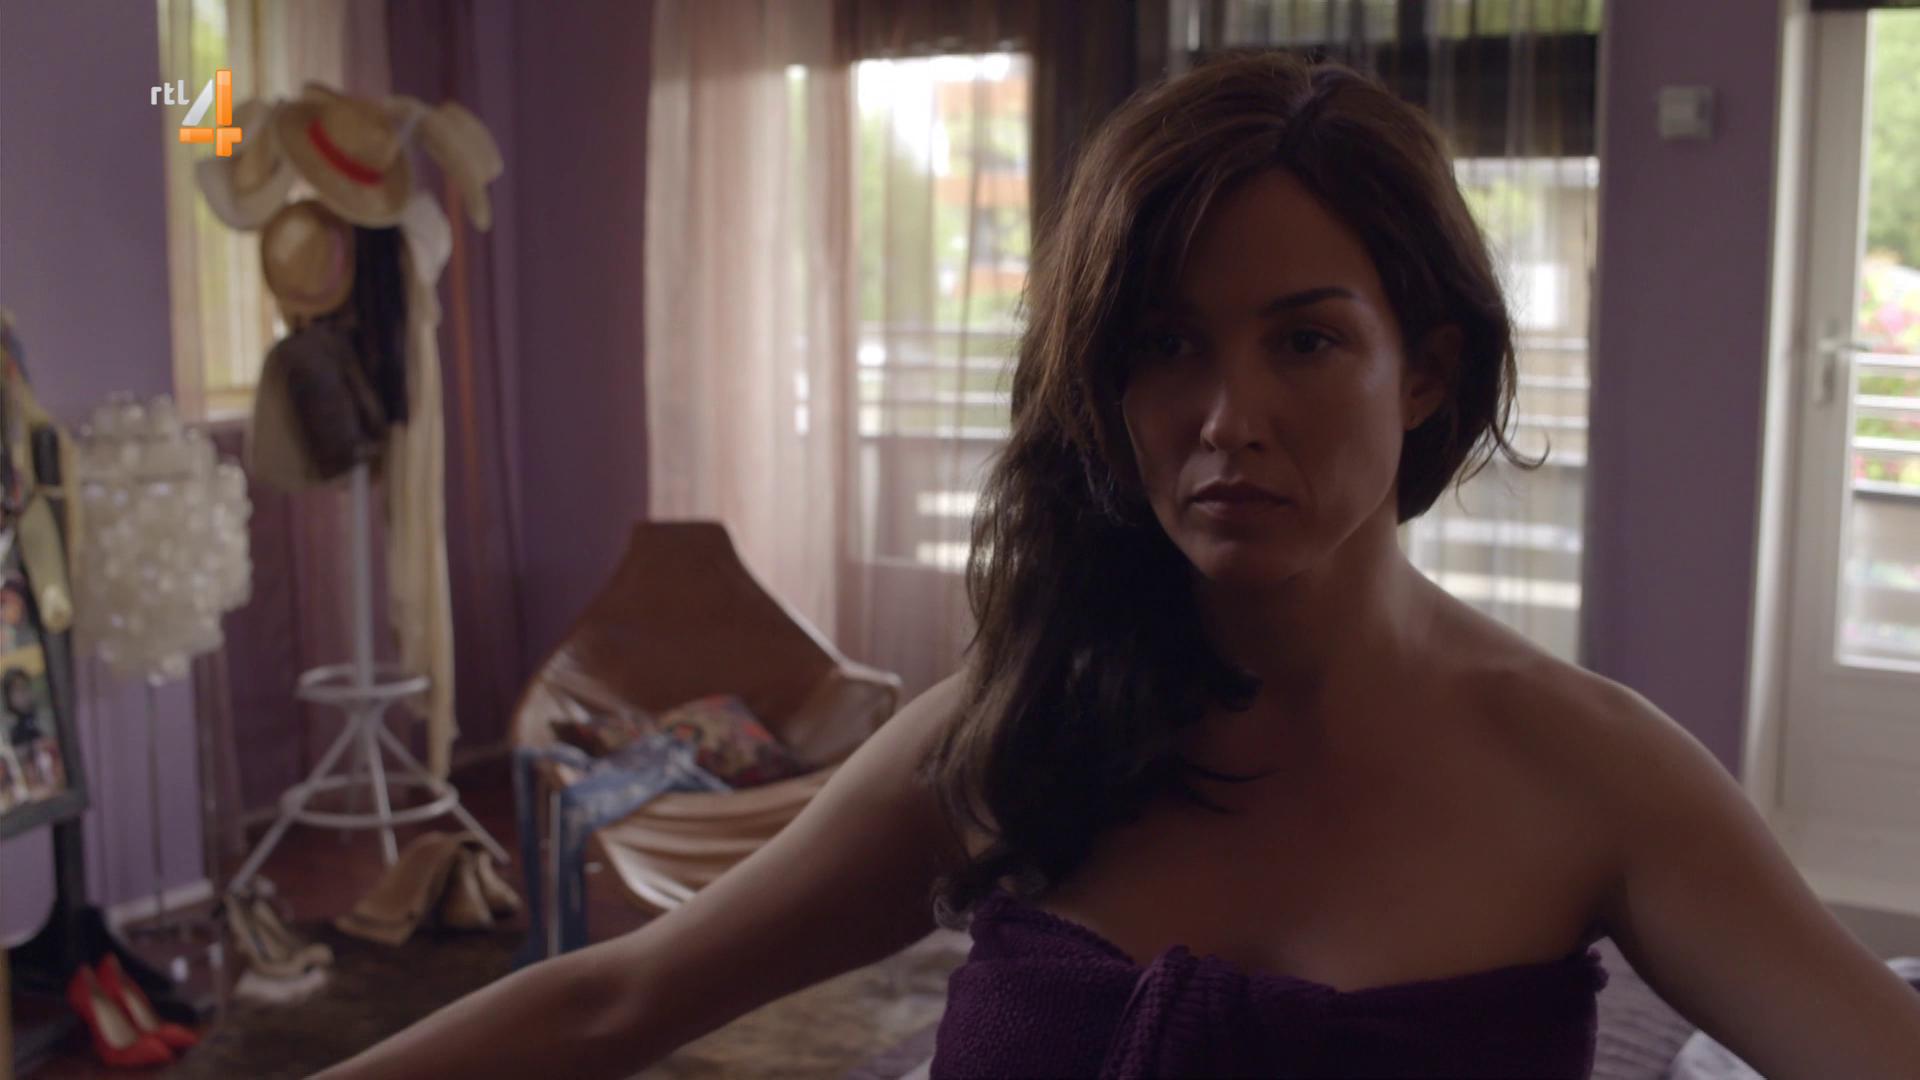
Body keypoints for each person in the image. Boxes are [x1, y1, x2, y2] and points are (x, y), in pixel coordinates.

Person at [314, 53, 1920, 1079]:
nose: (1229, 419)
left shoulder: (1594, 774)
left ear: (1424, 369)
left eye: (1306, 342)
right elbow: (616, 1002)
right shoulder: (1028, 720)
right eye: (1165, 346)